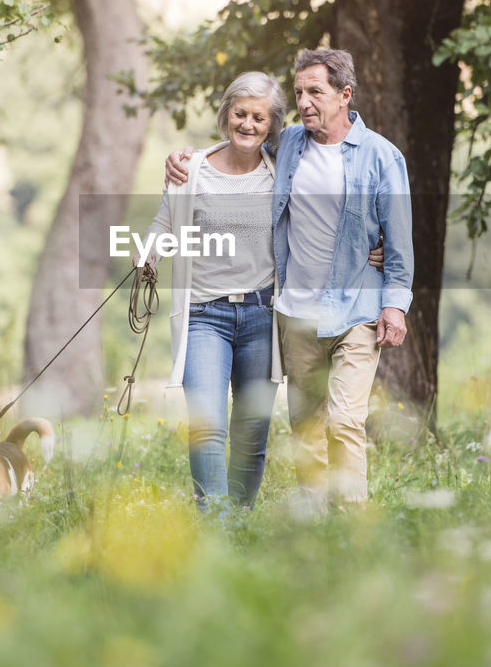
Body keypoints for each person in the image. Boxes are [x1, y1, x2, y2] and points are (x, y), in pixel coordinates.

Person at [167, 49, 413, 510]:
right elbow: (241, 143)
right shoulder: (291, 145)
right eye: (299, 92)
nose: (304, 102)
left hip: (355, 309)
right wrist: (185, 158)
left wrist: (395, 303)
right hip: (295, 314)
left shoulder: (381, 157)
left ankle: (354, 528)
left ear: (345, 95)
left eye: (315, 92)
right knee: (306, 430)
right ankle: (317, 532)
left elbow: (400, 242)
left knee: (343, 422)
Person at [145, 71, 285, 512]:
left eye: (258, 117)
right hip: (205, 315)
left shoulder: (282, 171)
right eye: (240, 114)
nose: (247, 124)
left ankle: (241, 518)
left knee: (251, 431)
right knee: (207, 426)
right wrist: (147, 254)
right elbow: (165, 225)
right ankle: (216, 525)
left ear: (271, 124)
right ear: (226, 115)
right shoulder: (192, 168)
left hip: (263, 316)